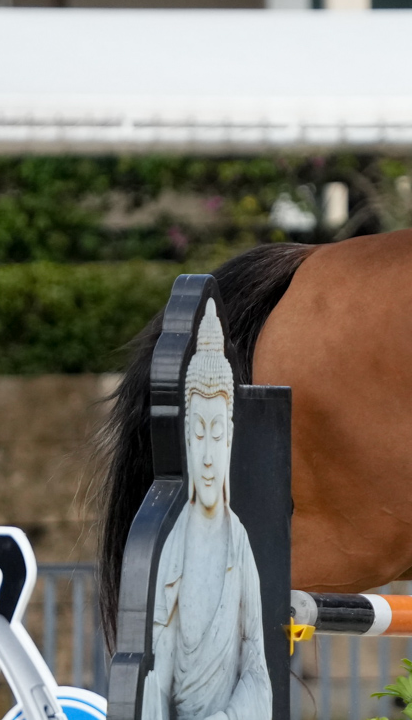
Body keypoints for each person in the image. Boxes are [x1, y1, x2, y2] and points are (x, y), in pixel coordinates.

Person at [143, 303, 271, 720]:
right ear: (186, 441)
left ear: (230, 439)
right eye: (200, 434)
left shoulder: (239, 543)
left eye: (218, 434)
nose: (210, 457)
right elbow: (158, 670)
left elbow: (256, 668)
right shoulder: (173, 545)